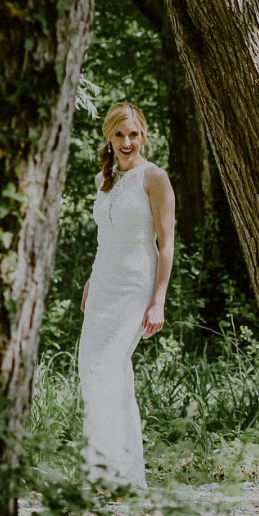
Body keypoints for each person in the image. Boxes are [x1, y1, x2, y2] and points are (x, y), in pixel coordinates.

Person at [79, 100, 176, 488]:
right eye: (119, 134)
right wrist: (90, 279)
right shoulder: (103, 179)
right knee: (97, 373)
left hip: (136, 288)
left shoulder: (154, 178)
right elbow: (105, 237)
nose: (127, 141)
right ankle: (116, 475)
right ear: (109, 137)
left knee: (104, 370)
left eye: (133, 134)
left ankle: (112, 474)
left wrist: (158, 300)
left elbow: (166, 245)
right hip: (102, 286)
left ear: (143, 135)